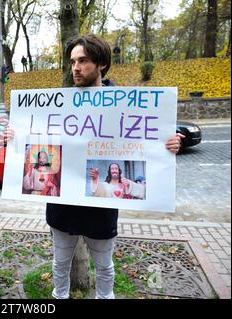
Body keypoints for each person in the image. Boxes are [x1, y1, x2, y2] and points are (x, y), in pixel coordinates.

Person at [45, 34, 184, 299]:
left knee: (105, 268)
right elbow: (39, 136)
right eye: (72, 61)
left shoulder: (126, 103)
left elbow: (150, 139)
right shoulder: (58, 104)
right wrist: (16, 139)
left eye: (83, 60)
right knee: (59, 265)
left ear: (102, 64)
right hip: (63, 209)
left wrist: (170, 143)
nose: (75, 67)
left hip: (100, 212)